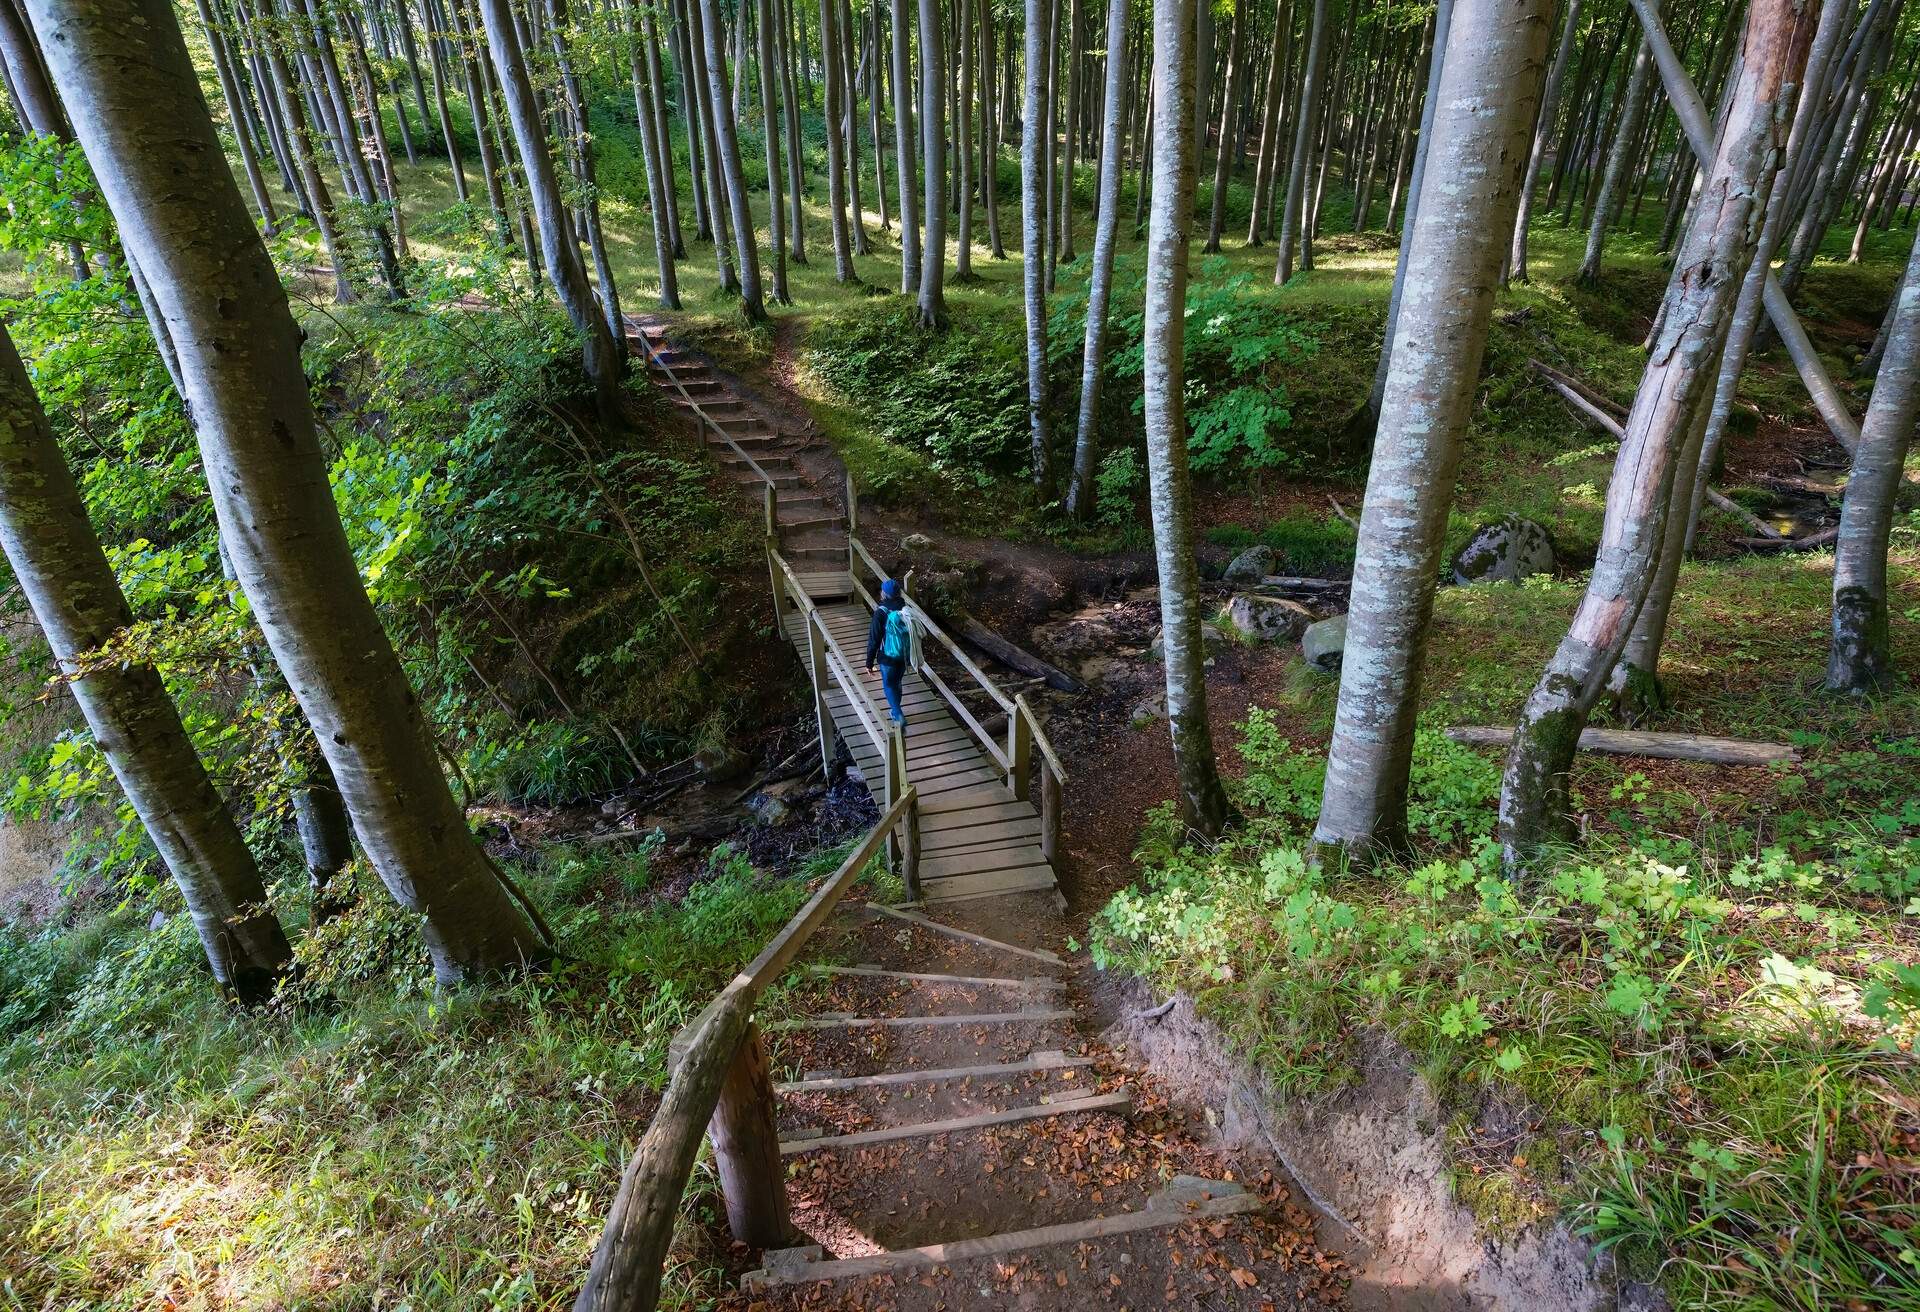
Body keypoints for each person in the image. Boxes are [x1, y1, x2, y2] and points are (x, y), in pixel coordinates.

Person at [865, 577, 912, 727]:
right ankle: (895, 710)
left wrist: (869, 662)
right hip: (904, 655)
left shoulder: (881, 612)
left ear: (883, 594)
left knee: (889, 684)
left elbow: (874, 640)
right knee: (896, 682)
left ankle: (897, 713)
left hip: (887, 657)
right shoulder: (905, 609)